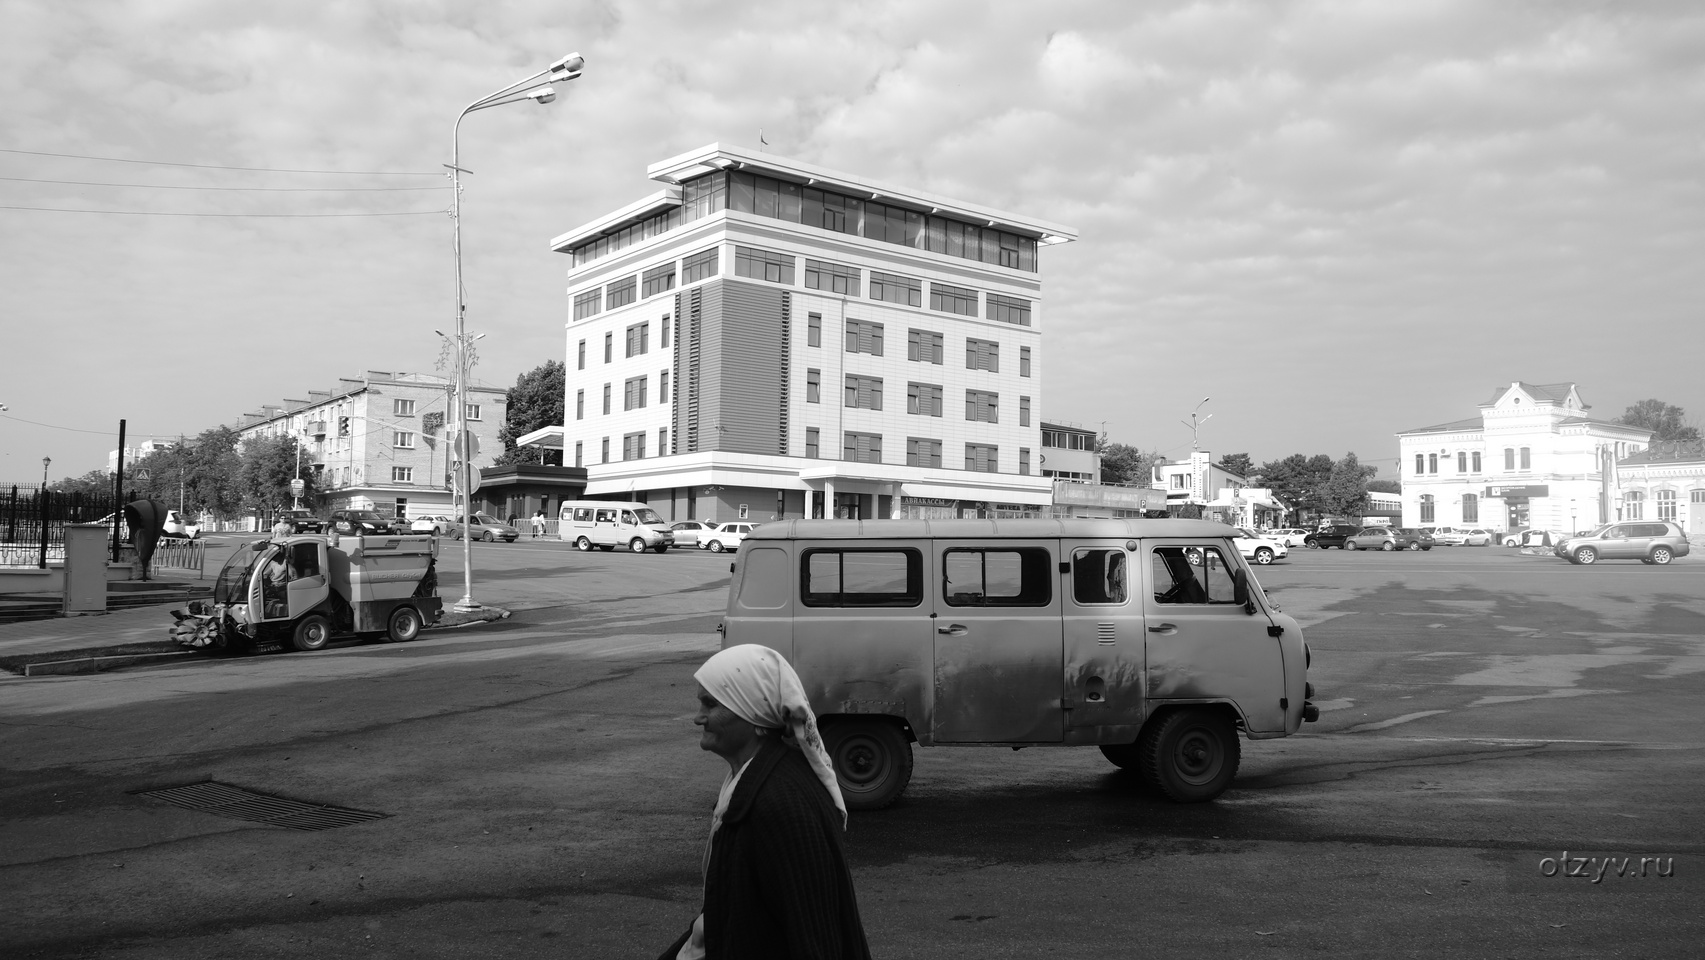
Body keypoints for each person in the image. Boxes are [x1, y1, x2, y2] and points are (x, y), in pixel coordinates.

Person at [659, 645, 871, 960]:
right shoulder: (752, 779)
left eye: (710, 704)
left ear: (752, 713)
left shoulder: (780, 803)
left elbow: (814, 935)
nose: (697, 718)